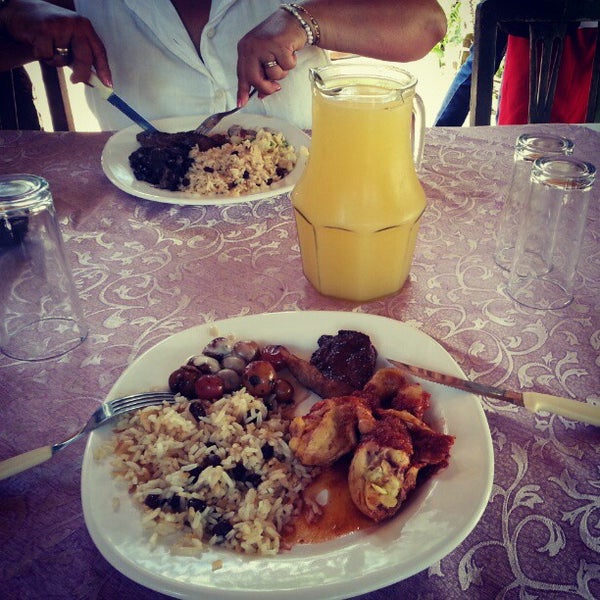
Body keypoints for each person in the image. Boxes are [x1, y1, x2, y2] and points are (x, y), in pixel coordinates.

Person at [0, 0, 447, 130]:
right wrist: (17, 15)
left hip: (305, 201)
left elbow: (425, 23)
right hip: (140, 219)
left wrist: (304, 21)